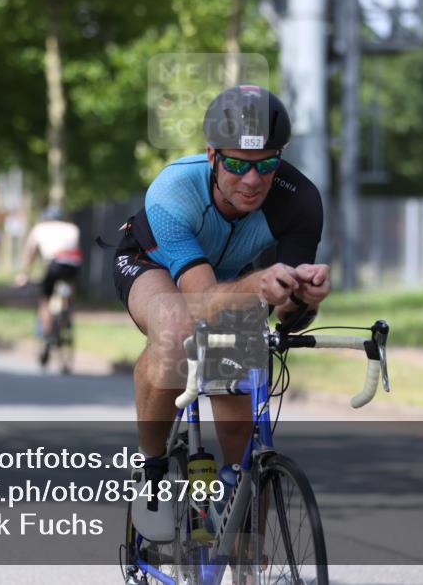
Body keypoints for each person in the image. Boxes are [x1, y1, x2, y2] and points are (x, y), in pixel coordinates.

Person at [113, 85, 329, 540]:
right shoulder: (173, 189)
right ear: (212, 155)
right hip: (153, 265)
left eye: (265, 165)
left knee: (244, 433)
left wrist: (305, 297)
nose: (252, 180)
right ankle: (152, 471)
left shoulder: (299, 200)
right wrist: (258, 285)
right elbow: (202, 302)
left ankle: (245, 544)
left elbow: (287, 316)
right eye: (237, 164)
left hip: (230, 280)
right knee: (176, 329)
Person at [16, 205, 82, 364]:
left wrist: (24, 274)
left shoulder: (40, 228)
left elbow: (30, 253)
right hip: (73, 263)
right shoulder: (72, 228)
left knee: (45, 299)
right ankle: (67, 310)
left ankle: (46, 335)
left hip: (55, 263)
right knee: (68, 286)